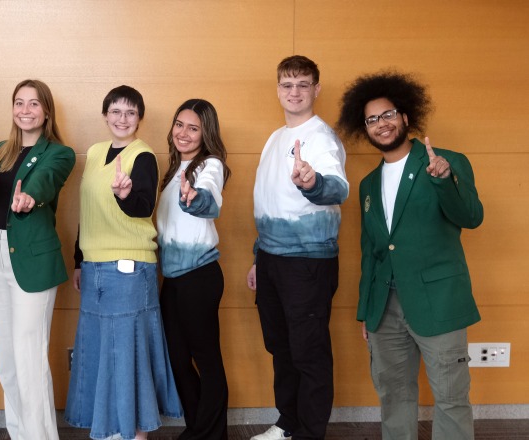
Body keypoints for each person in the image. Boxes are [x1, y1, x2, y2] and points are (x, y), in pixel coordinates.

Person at [337, 71, 483, 440]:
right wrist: (366, 311)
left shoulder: (445, 162)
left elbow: (471, 217)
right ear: (364, 128)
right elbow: (371, 251)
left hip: (439, 301)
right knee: (393, 395)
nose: (381, 124)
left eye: (388, 114)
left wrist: (443, 179)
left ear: (404, 116)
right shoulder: (368, 184)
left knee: (450, 397)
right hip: (385, 307)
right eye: (372, 120)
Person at [65, 85, 183, 440]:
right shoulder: (97, 151)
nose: (122, 118)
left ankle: (136, 433)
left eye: (130, 113)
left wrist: (125, 194)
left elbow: (144, 206)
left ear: (139, 118)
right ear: (105, 115)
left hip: (130, 268)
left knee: (128, 352)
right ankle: (114, 428)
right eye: (115, 111)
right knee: (103, 349)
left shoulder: (143, 155)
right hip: (94, 267)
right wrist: (78, 260)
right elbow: (89, 211)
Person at [247, 55, 349, 440]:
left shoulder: (321, 138)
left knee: (308, 352)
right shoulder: (276, 139)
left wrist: (313, 183)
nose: (294, 92)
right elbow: (269, 204)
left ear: (316, 90)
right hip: (273, 259)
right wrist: (260, 256)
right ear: (278, 89)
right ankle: (288, 424)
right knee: (281, 347)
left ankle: (309, 432)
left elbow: (338, 187)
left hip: (308, 262)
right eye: (287, 85)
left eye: (302, 84)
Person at [0, 79, 75, 440]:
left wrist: (29, 196)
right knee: (6, 361)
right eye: (19, 103)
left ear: (46, 111)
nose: (25, 110)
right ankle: (19, 434)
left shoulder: (59, 153)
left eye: (33, 104)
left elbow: (46, 180)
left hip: (32, 260)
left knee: (29, 358)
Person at [157, 99, 231, 440]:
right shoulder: (172, 170)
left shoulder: (210, 165)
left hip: (199, 277)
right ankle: (199, 428)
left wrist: (195, 198)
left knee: (207, 358)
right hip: (171, 280)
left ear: (206, 134)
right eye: (179, 124)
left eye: (193, 127)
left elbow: (209, 198)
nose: (183, 133)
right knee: (177, 359)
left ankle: (211, 434)